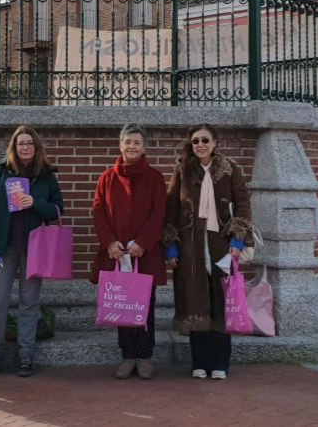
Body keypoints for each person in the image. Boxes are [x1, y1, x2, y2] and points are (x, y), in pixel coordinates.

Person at [163, 123, 252, 380]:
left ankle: (220, 363)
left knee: (220, 302)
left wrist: (237, 241)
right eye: (195, 141)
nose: (200, 145)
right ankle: (199, 362)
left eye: (205, 140)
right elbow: (171, 208)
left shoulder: (229, 169)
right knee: (195, 301)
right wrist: (170, 243)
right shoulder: (182, 170)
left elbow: (243, 204)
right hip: (190, 245)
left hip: (220, 244)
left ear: (215, 143)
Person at [0, 125, 64, 378]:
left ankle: (26, 357)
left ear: (36, 147)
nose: (25, 147)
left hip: (35, 247)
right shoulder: (2, 171)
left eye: (29, 143)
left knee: (29, 302)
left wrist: (35, 203)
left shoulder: (47, 175)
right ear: (14, 148)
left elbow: (58, 209)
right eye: (20, 144)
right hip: (5, 246)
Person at [91, 124, 167, 380]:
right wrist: (110, 243)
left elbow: (159, 213)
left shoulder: (155, 177)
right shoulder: (106, 178)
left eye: (137, 142)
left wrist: (143, 242)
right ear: (120, 145)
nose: (132, 146)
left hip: (144, 253)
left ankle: (145, 356)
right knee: (121, 304)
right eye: (128, 142)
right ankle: (127, 356)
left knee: (146, 305)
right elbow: (99, 211)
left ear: (144, 147)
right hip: (117, 253)